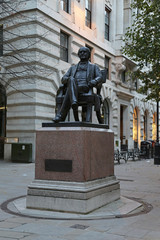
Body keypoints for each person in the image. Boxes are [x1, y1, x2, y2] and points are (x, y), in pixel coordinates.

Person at [53, 46, 102, 122]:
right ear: (78, 54)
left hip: (85, 88)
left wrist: (94, 81)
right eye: (81, 52)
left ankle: (61, 115)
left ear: (89, 55)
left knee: (69, 89)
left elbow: (100, 77)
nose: (82, 53)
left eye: (85, 52)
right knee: (71, 79)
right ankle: (74, 102)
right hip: (74, 88)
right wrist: (68, 79)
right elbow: (63, 79)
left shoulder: (94, 67)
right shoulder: (73, 68)